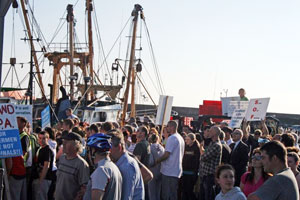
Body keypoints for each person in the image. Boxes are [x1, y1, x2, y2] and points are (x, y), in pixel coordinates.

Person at [83, 133, 122, 200]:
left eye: (88, 151)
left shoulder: (101, 170)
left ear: (93, 151)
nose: (88, 154)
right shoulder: (113, 167)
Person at [108, 129, 144, 200]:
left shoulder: (127, 167)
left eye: (109, 148)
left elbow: (126, 197)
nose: (107, 152)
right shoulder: (122, 161)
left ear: (119, 147)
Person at [154, 120, 185, 200]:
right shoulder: (180, 138)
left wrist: (157, 161)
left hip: (169, 171)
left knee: (167, 195)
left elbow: (167, 154)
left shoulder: (172, 138)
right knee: (172, 193)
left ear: (172, 127)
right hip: (175, 170)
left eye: (167, 126)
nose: (166, 128)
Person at [55, 132, 90, 200]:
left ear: (76, 145)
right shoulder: (62, 158)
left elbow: (84, 188)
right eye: (63, 141)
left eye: (67, 142)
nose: (64, 144)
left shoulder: (82, 164)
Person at [6, 116, 30, 200]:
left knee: (14, 195)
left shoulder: (24, 137)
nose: (14, 123)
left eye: (17, 121)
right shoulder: (16, 135)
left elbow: (22, 154)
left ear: (23, 124)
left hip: (17, 170)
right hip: (16, 170)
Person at [199, 126, 222, 200]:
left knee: (208, 196)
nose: (208, 132)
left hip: (210, 175)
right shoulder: (212, 143)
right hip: (205, 174)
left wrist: (201, 150)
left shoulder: (216, 145)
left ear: (214, 133)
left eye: (210, 131)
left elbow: (204, 157)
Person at [32, 131, 54, 200]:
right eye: (40, 138)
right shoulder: (41, 149)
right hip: (39, 178)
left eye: (44, 138)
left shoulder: (47, 150)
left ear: (48, 139)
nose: (41, 140)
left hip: (44, 179)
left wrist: (40, 181)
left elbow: (46, 165)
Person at [181, 133, 200, 200]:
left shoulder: (196, 148)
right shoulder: (185, 147)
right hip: (184, 172)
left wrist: (195, 172)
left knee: (189, 191)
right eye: (185, 139)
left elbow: (197, 162)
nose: (186, 141)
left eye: (188, 140)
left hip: (191, 173)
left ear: (193, 140)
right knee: (184, 190)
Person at [148, 134, 165, 200]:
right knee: (158, 192)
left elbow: (151, 162)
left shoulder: (150, 147)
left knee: (152, 193)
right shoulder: (162, 148)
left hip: (152, 171)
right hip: (160, 170)